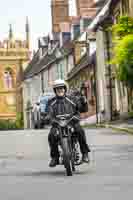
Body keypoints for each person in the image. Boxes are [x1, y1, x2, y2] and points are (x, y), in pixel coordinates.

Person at [48, 79, 91, 167]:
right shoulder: (51, 102)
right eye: (57, 89)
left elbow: (82, 109)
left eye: (61, 88)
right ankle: (55, 157)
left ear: (65, 89)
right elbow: (48, 113)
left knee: (80, 131)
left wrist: (84, 101)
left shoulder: (72, 99)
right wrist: (48, 118)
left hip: (71, 122)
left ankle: (85, 154)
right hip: (57, 124)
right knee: (51, 135)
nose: (60, 90)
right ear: (55, 90)